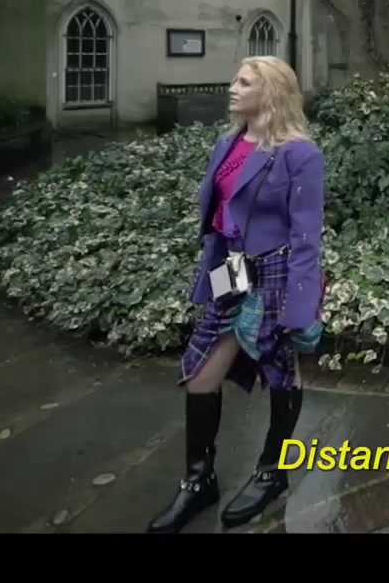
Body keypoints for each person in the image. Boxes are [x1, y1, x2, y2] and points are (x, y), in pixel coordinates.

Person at [147, 55, 326, 533]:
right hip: (233, 269)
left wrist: (299, 306)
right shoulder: (228, 143)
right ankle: (198, 481)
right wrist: (211, 274)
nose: (232, 88)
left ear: (270, 92)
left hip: (277, 272)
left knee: (280, 367)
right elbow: (217, 214)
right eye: (235, 80)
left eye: (244, 82)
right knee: (200, 372)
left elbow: (307, 236)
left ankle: (272, 472)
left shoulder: (300, 155)